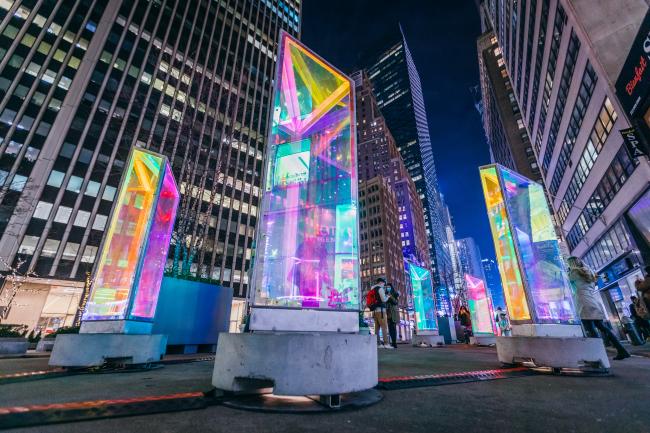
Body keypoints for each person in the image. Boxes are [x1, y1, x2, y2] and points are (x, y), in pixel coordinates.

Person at [567, 256, 630, 360]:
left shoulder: (574, 273)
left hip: (583, 302)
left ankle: (597, 356)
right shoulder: (590, 273)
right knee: (602, 327)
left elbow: (565, 280)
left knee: (589, 330)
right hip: (592, 301)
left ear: (572, 264)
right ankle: (621, 350)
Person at [368, 278, 392, 349]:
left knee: (377, 328)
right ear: (381, 282)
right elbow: (383, 300)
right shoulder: (380, 289)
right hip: (381, 311)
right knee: (384, 327)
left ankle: (378, 344)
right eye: (384, 283)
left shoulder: (372, 289)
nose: (384, 285)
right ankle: (386, 343)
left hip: (374, 311)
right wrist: (388, 296)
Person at [386, 283, 400, 348]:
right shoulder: (385, 294)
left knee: (393, 328)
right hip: (387, 313)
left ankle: (394, 343)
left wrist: (390, 296)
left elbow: (396, 302)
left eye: (389, 287)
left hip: (393, 313)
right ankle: (392, 342)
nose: (388, 288)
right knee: (390, 328)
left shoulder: (395, 294)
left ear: (391, 287)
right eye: (387, 287)